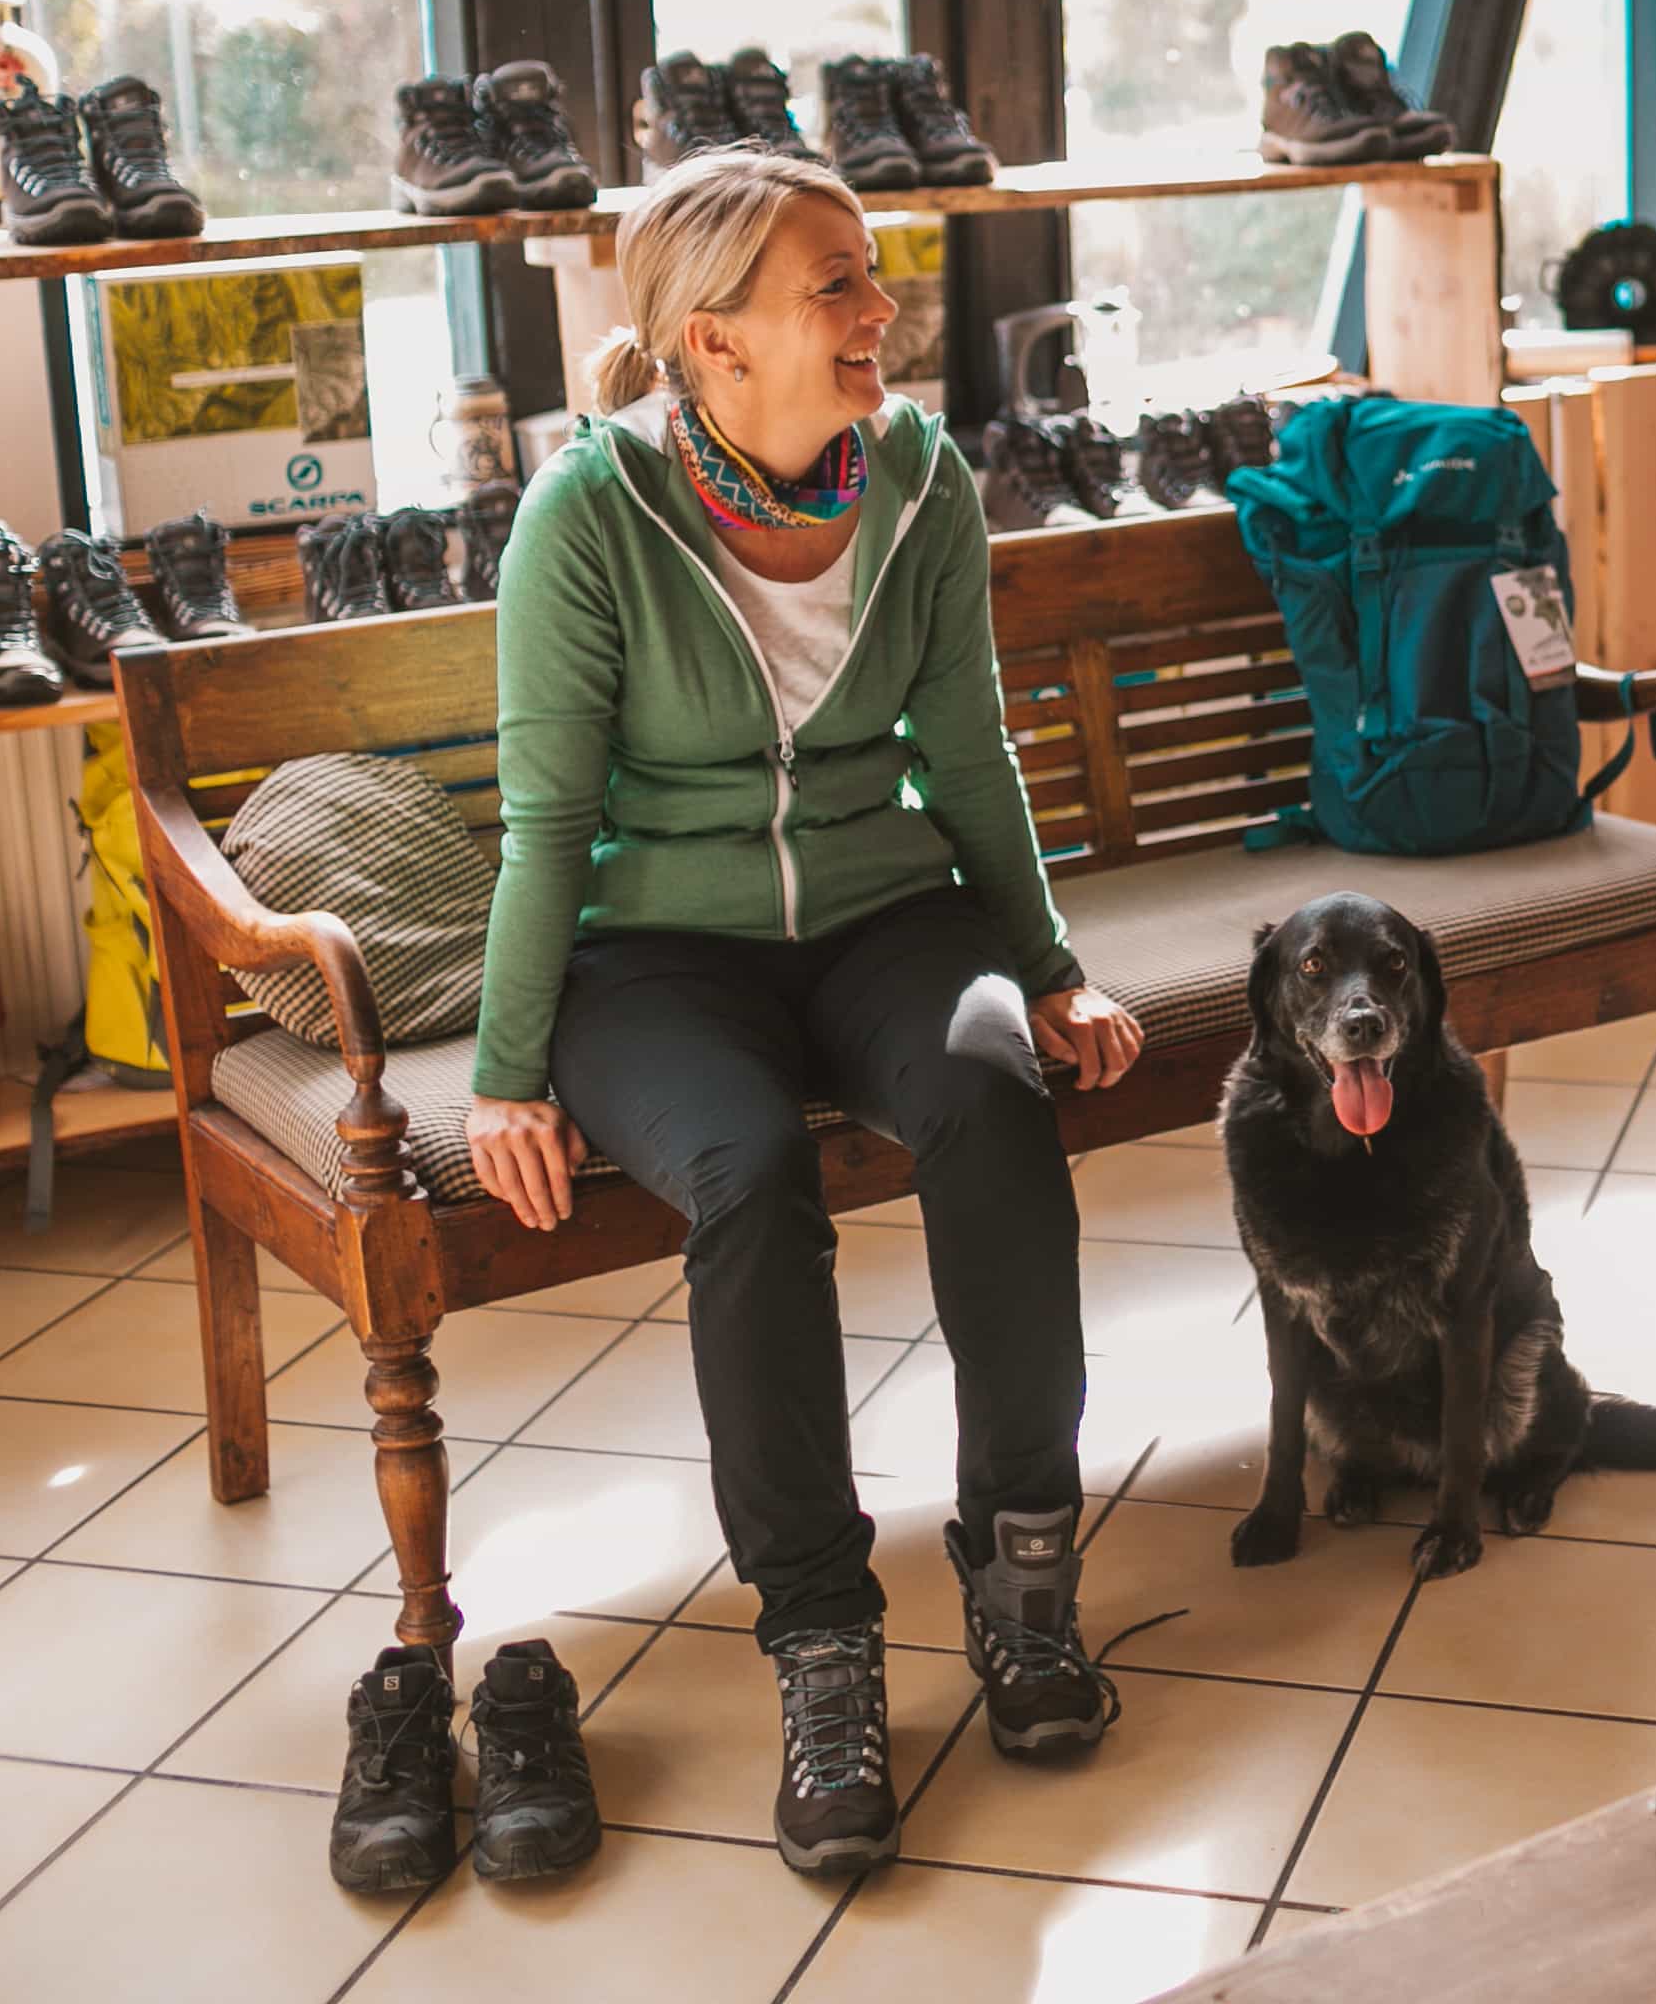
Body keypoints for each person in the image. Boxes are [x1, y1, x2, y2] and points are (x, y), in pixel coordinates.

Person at [463, 147, 1149, 1877]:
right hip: (656, 959)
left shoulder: (918, 479)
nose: (878, 309)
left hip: (883, 914)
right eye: (834, 284)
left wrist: (1049, 966)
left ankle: (1023, 1571)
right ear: (714, 340)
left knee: (995, 1096)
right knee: (748, 1172)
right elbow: (549, 820)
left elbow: (970, 753)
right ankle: (822, 1643)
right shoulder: (589, 513)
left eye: (869, 272)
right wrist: (502, 1072)